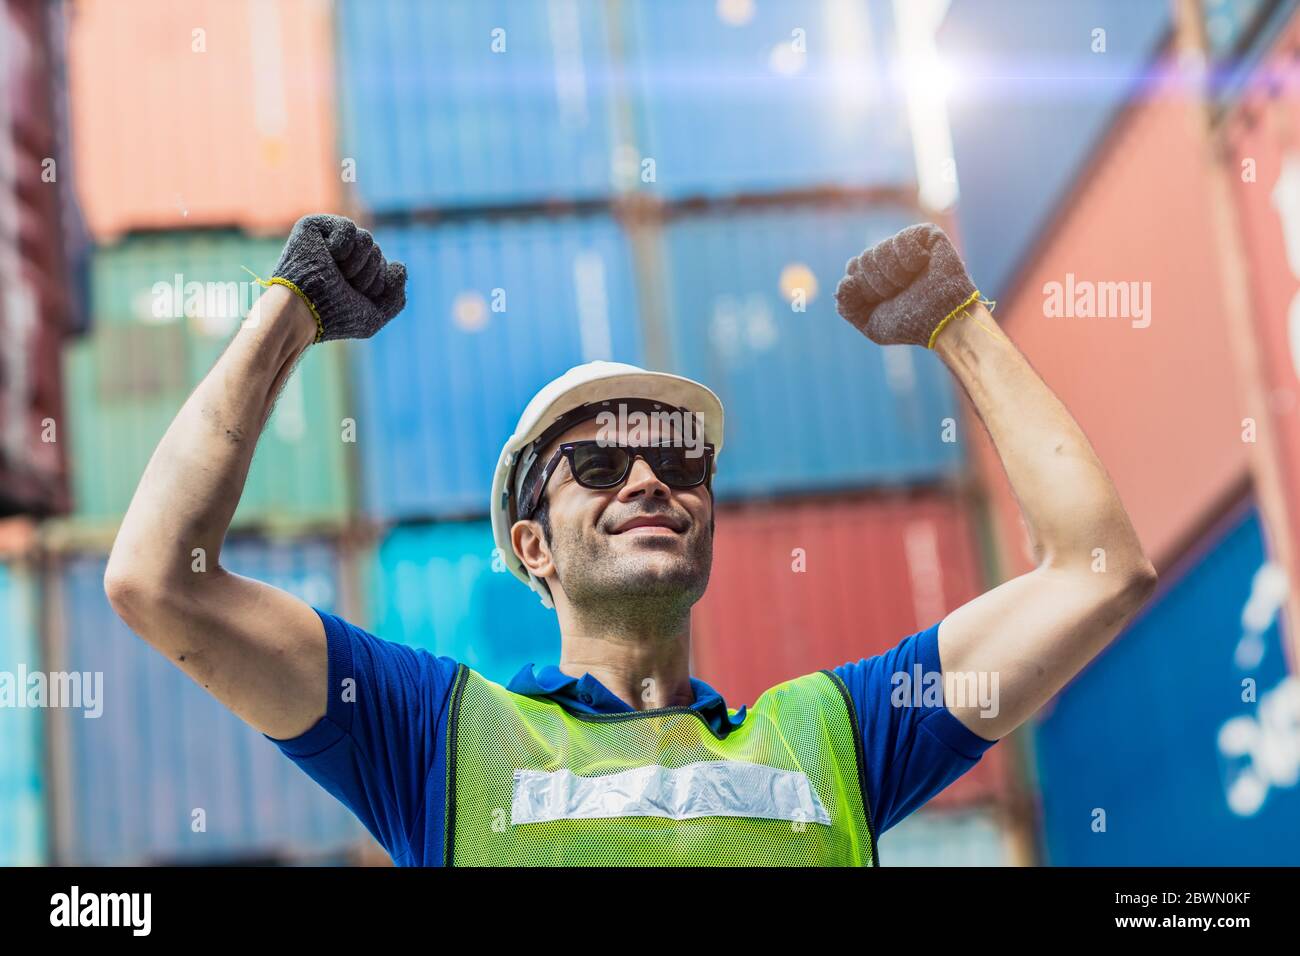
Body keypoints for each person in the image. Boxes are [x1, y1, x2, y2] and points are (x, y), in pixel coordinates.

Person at [105, 215, 1157, 866]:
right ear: (533, 546)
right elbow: (161, 581)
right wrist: (289, 314)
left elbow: (1098, 575)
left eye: (681, 463)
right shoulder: (433, 736)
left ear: (707, 516)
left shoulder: (838, 734)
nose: (650, 477)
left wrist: (955, 321)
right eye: (599, 467)